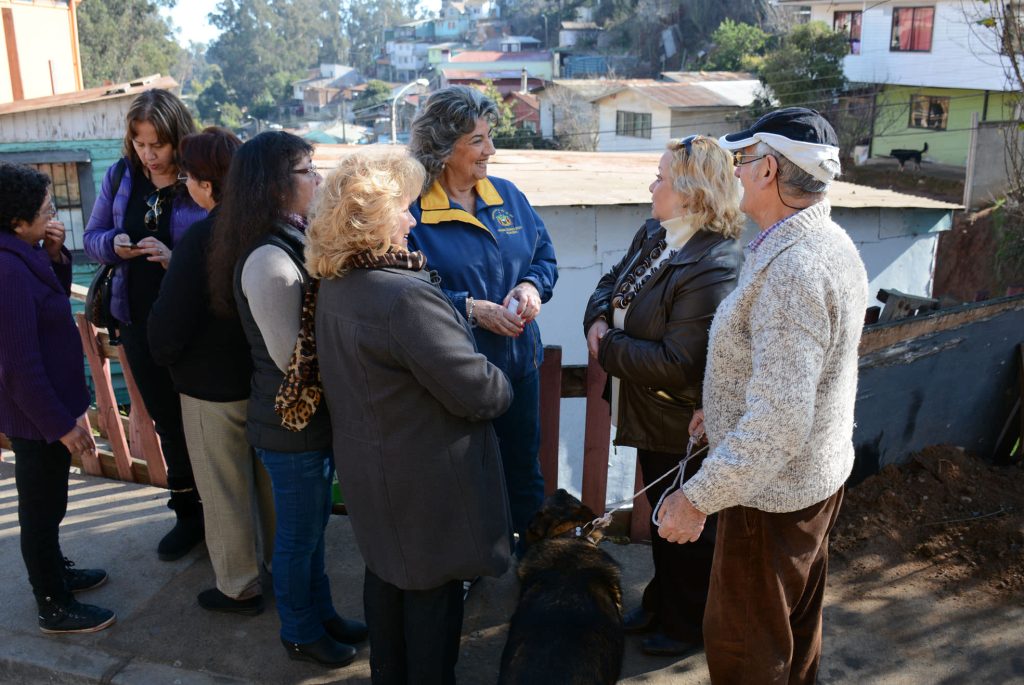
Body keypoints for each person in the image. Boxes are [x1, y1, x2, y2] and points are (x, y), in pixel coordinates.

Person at [655, 108, 869, 684]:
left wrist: (696, 499)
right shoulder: (822, 240)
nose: (738, 172)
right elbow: (797, 371)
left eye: (744, 160)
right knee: (792, 637)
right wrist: (721, 410)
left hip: (770, 496)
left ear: (770, 168)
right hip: (810, 477)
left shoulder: (795, 268)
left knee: (747, 649)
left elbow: (778, 421)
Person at [309, 149, 513, 685]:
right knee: (430, 602)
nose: (412, 217)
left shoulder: (339, 282)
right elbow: (482, 393)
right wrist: (497, 374)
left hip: (371, 469)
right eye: (402, 207)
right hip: (422, 482)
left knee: (386, 578)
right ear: (375, 219)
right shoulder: (403, 297)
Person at [206, 131, 366, 667]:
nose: (317, 180)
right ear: (276, 185)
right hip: (290, 427)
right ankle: (299, 632)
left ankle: (321, 615)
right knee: (298, 540)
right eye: (307, 170)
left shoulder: (291, 240)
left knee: (313, 533)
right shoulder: (268, 262)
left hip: (306, 424)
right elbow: (291, 360)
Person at [582, 135, 743, 657]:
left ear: (692, 193)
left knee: (687, 530)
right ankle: (660, 603)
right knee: (661, 518)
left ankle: (686, 625)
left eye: (661, 178)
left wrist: (607, 347)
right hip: (649, 409)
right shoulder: (657, 232)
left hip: (681, 419)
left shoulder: (715, 262)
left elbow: (681, 363)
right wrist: (598, 316)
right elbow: (611, 282)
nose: (651, 186)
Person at [408, 86, 558, 551]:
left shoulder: (508, 196)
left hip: (519, 365)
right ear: (442, 146)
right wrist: (471, 309)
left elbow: (544, 257)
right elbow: (406, 295)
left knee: (523, 471)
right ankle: (471, 571)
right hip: (455, 375)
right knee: (464, 476)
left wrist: (532, 287)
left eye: (489, 137)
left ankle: (533, 571)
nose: (490, 150)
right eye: (477, 140)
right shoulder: (412, 212)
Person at [149, 127, 275, 615]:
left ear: (205, 183)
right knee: (271, 490)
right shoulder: (273, 228)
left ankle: (238, 588)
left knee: (223, 494)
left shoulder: (202, 236)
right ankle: (282, 573)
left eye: (189, 177)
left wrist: (167, 356)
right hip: (266, 383)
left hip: (210, 389)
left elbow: (167, 327)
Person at [83, 88, 207, 561]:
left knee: (207, 427)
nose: (149, 155)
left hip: (196, 325)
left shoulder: (202, 179)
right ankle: (187, 517)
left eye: (158, 144)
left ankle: (224, 518)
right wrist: (114, 244)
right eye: (140, 143)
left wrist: (176, 260)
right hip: (137, 321)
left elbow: (220, 249)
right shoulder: (120, 176)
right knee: (168, 425)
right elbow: (91, 238)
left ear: (178, 137)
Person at [0, 162, 116, 634]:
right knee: (41, 511)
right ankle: (53, 603)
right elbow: (18, 366)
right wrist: (61, 426)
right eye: (45, 211)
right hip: (35, 418)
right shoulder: (5, 270)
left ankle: (57, 573)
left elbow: (48, 299)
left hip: (45, 412)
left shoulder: (22, 254)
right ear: (16, 222)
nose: (53, 216)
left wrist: (54, 252)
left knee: (52, 503)